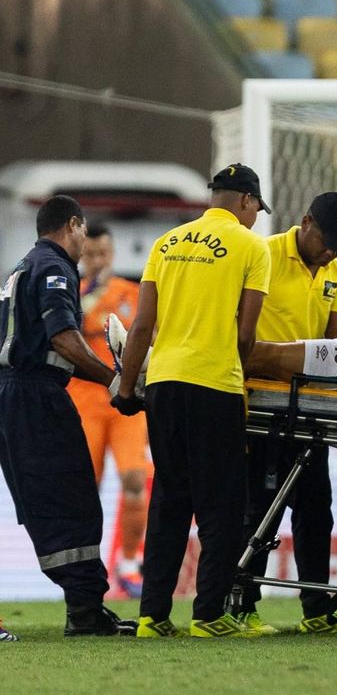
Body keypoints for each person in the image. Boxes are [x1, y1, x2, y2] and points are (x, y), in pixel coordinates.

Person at [113, 163, 271, 638]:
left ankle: (151, 615)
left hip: (162, 381)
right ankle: (208, 614)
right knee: (222, 503)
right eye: (256, 209)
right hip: (213, 383)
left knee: (170, 499)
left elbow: (141, 326)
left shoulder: (168, 242)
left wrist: (125, 391)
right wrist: (238, 374)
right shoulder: (250, 247)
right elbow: (245, 334)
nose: (256, 217)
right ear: (245, 201)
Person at [0, 195, 134, 636]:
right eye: (83, 233)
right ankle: (85, 611)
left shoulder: (22, 267)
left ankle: (84, 605)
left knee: (47, 501)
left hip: (14, 394)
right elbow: (63, 340)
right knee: (71, 497)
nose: (84, 242)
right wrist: (116, 382)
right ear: (73, 225)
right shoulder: (56, 267)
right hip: (35, 396)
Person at [236, 191, 337, 635]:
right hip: (261, 406)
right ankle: (243, 607)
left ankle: (316, 611)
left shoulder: (336, 271)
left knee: (317, 509)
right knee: (258, 509)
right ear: (306, 222)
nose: (330, 251)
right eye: (327, 239)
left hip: (307, 410)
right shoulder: (265, 255)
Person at [66, 222, 150, 598]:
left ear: (112, 254)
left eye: (104, 254)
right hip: (84, 402)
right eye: (91, 254)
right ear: (82, 256)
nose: (98, 260)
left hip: (126, 403)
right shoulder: (70, 294)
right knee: (86, 489)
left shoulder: (132, 294)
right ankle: (88, 565)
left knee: (135, 479)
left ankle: (130, 561)